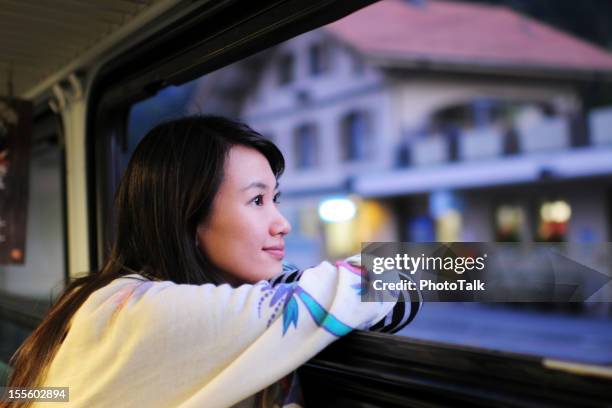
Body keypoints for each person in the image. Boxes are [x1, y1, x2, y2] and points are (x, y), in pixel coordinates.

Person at [3, 116, 420, 408]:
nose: (282, 224)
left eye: (276, 199)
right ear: (188, 216)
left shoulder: (98, 299)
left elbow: (43, 395)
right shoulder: (147, 314)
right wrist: (478, 268)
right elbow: (355, 289)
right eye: (256, 200)